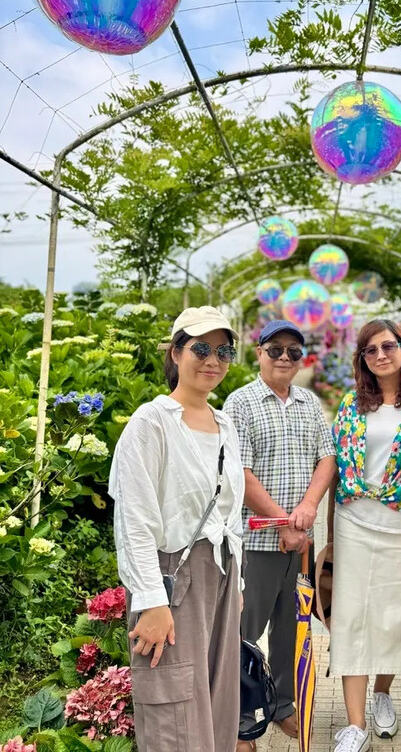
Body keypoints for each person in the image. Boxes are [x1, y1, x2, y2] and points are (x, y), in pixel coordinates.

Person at [108, 306, 245, 752]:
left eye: (223, 350)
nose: (213, 360)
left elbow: (231, 511)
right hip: (173, 578)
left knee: (218, 701)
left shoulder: (225, 424)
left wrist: (237, 582)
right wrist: (150, 601)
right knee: (175, 709)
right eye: (201, 348)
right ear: (176, 352)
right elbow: (134, 520)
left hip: (220, 576)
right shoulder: (151, 423)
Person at [223, 319, 336, 749]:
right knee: (244, 632)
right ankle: (241, 718)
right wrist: (285, 522)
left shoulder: (308, 402)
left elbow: (326, 458)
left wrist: (306, 510)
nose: (284, 358)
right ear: (259, 353)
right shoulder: (241, 403)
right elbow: (242, 473)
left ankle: (283, 706)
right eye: (275, 350)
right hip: (257, 543)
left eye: (293, 351)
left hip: (300, 544)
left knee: (293, 629)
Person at [329, 319, 401, 752]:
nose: (380, 355)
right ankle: (355, 725)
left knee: (395, 618)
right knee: (352, 616)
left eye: (387, 346)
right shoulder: (352, 403)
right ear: (362, 359)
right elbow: (336, 463)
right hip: (354, 519)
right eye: (370, 350)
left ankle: (382, 692)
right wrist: (327, 536)